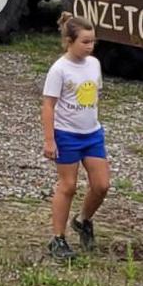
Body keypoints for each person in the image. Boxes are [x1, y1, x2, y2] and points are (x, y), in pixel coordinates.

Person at [42, 14, 109, 261]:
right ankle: (57, 238)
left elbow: (95, 94)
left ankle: (83, 220)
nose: (90, 47)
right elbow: (48, 105)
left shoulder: (94, 64)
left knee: (101, 184)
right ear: (69, 41)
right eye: (85, 42)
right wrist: (50, 140)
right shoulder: (59, 69)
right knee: (67, 186)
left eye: (92, 42)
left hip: (92, 133)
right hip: (67, 134)